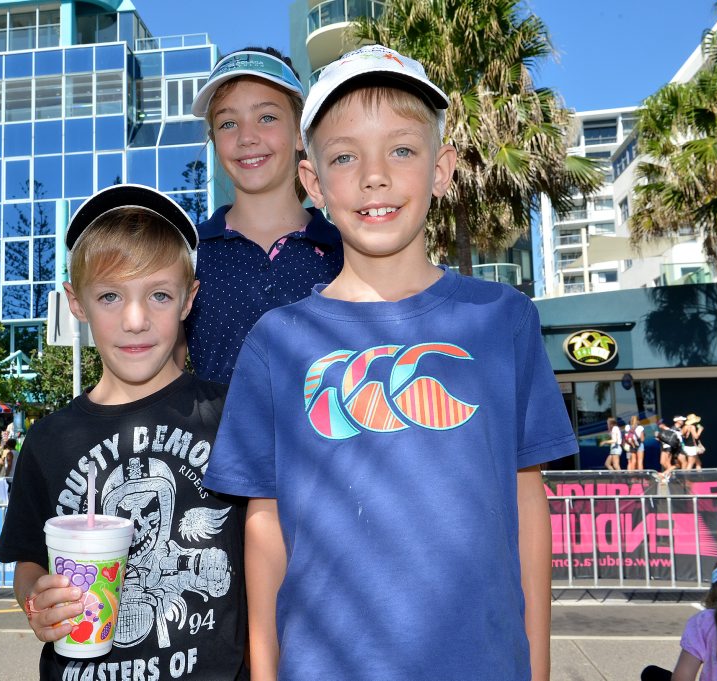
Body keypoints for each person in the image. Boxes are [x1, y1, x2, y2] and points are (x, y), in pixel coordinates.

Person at [201, 45, 575, 680]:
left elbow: (526, 503)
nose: (374, 176)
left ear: (442, 168)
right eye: (345, 156)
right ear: (313, 182)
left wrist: (535, 668)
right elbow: (264, 530)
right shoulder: (276, 341)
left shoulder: (503, 318)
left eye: (402, 149)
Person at [0, 185, 247, 680]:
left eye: (158, 294)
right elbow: (27, 560)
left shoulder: (232, 414)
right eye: (111, 295)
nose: (135, 320)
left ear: (188, 299)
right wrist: (37, 602)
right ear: (77, 303)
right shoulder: (48, 440)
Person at [185, 47, 343, 383]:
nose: (246, 137)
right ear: (214, 141)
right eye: (228, 123)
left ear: (301, 133)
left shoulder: (346, 251)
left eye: (267, 117)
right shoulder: (188, 254)